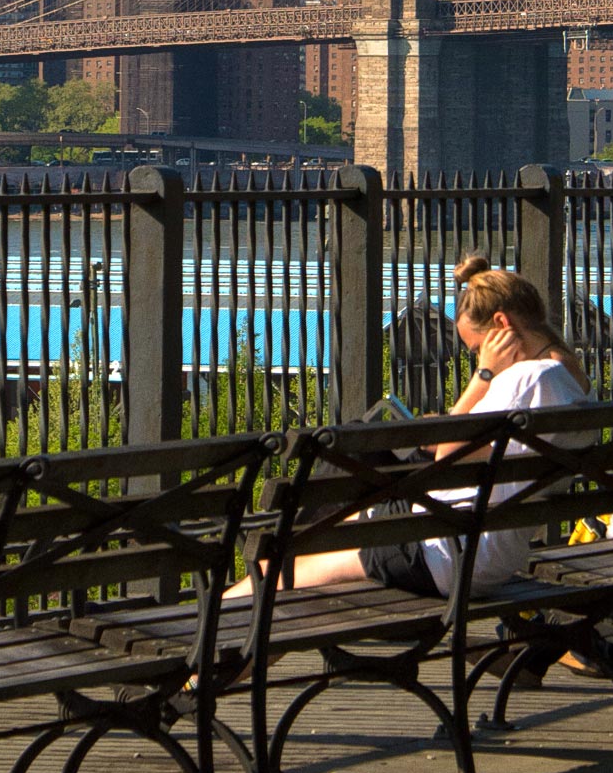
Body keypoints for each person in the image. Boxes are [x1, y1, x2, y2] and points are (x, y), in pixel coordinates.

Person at [225, 256, 588, 603]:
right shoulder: (573, 383)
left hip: (445, 550)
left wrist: (484, 376)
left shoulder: (528, 378)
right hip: (474, 547)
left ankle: (207, 631)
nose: (478, 358)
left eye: (477, 349)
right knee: (299, 558)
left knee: (282, 571)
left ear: (502, 326)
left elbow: (449, 452)